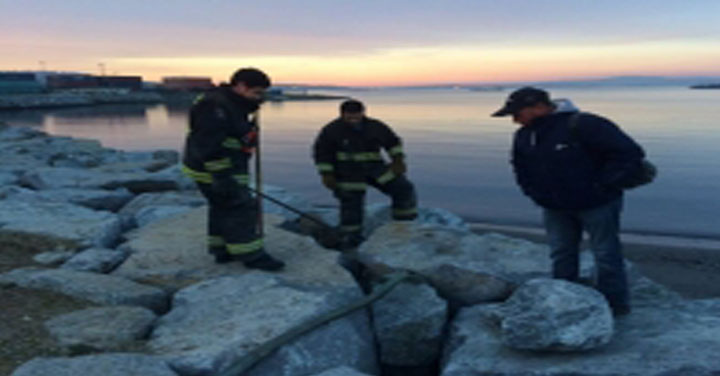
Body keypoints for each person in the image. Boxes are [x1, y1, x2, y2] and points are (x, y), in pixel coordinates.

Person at [493, 87, 646, 315]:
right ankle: (564, 299)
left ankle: (615, 305)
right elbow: (520, 166)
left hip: (597, 203)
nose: (515, 120)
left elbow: (629, 153)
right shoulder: (525, 135)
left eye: (518, 113)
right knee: (561, 252)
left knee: (605, 253)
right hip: (554, 206)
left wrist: (602, 185)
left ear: (539, 107)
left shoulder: (584, 124)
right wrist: (534, 193)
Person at [182, 68, 284, 271]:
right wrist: (222, 175)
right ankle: (251, 255)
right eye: (256, 93)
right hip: (216, 169)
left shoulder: (231, 103)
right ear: (240, 86)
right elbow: (209, 143)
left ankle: (222, 250)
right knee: (240, 207)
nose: (260, 97)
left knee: (222, 207)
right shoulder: (214, 106)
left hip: (224, 166)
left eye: (262, 93)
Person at [313, 100, 418, 249]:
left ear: (363, 113)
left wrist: (398, 160)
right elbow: (322, 153)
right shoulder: (331, 130)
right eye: (349, 117)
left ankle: (405, 224)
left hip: (375, 169)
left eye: (356, 117)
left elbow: (392, 142)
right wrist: (326, 174)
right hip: (347, 172)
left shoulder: (376, 126)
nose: (353, 121)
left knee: (403, 188)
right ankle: (351, 237)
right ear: (342, 114)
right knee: (351, 203)